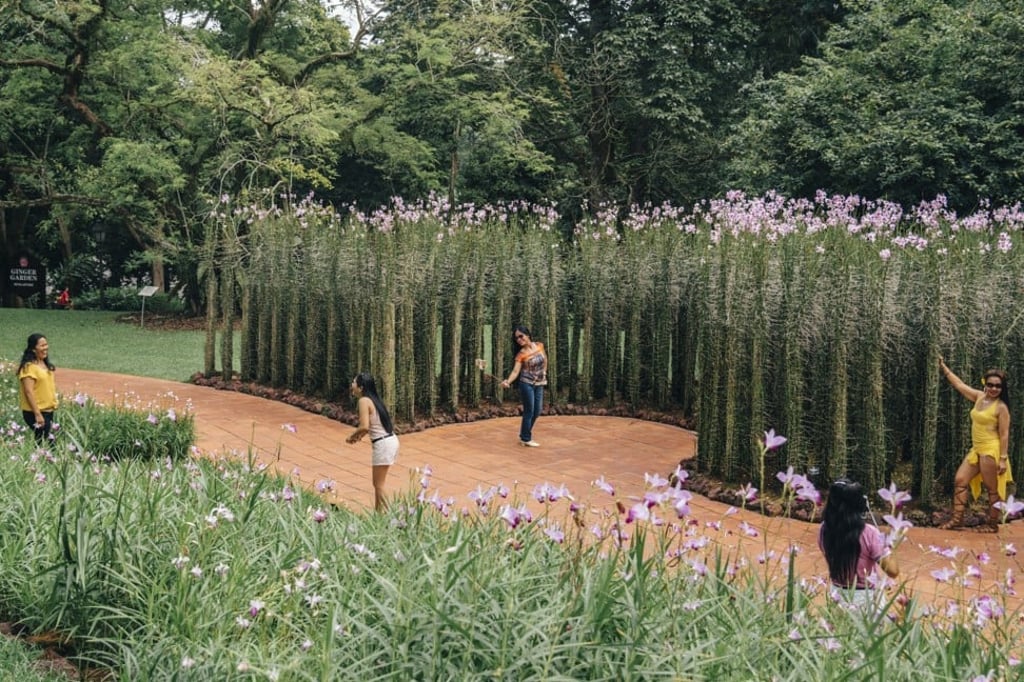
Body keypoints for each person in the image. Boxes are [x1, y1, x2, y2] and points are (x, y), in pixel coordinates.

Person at [938, 359, 1012, 531]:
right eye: (990, 384)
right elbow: (960, 385)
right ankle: (958, 519)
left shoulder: (1001, 408)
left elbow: (1004, 434)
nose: (994, 388)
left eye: (998, 386)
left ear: (1002, 388)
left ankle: (992, 524)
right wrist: (943, 367)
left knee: (992, 489)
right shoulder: (979, 397)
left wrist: (1002, 459)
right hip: (976, 449)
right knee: (960, 480)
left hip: (990, 450)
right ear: (985, 384)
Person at [818, 478, 899, 606]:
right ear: (861, 504)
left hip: (837, 596)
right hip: (866, 599)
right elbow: (893, 571)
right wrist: (887, 546)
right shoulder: (870, 533)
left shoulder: (824, 530)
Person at [345, 373, 399, 511]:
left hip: (383, 444)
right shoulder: (374, 400)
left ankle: (393, 515)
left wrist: (352, 436)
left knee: (379, 485)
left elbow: (364, 426)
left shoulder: (363, 401)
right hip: (390, 440)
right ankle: (378, 515)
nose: (352, 385)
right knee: (378, 484)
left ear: (361, 387)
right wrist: (358, 437)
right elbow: (372, 426)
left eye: (354, 382)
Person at [501, 325, 548, 447]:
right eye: (516, 338)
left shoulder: (539, 345)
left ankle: (524, 434)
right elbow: (515, 371)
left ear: (528, 335)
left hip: (540, 383)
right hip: (526, 384)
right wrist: (508, 381)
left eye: (521, 336)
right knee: (529, 411)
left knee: (537, 411)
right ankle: (526, 438)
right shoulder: (521, 354)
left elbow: (545, 359)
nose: (519, 339)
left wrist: (544, 372)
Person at [17, 333, 58, 442]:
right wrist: (37, 414)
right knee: (47, 443)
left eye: (46, 345)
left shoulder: (44, 364)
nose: (46, 348)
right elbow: (28, 391)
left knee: (44, 441)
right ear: (33, 349)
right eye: (42, 345)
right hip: (36, 412)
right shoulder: (29, 368)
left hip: (48, 411)